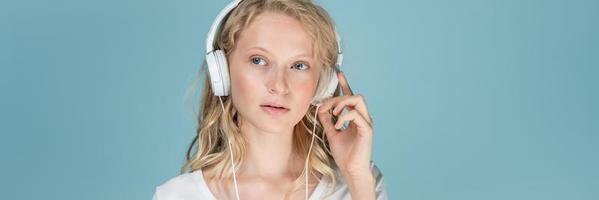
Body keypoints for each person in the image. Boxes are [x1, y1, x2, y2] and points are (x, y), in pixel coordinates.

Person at [152, 0, 387, 199]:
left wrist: (358, 179)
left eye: (299, 65)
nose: (279, 86)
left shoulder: (359, 182)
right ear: (222, 71)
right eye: (258, 60)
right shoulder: (177, 195)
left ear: (322, 83)